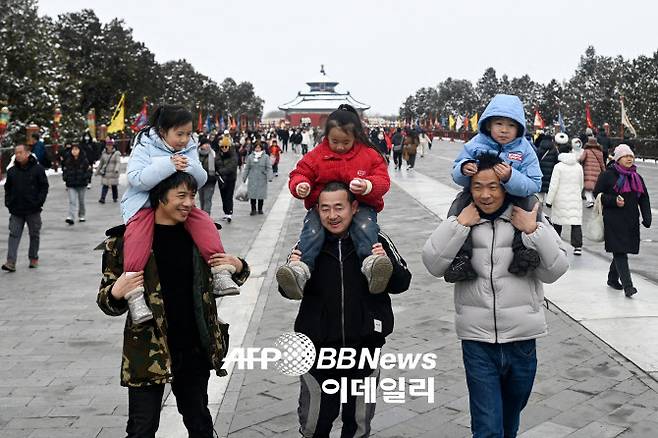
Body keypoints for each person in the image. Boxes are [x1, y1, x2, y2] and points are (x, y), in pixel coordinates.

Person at [422, 152, 569, 438]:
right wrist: (458, 225)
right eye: (477, 186)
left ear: (506, 186)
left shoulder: (526, 215)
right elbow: (432, 264)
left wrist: (532, 230)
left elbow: (555, 270)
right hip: (477, 342)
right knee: (488, 427)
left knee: (508, 418)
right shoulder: (462, 217)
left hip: (522, 341)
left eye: (493, 186)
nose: (485, 194)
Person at [97, 171, 250, 438]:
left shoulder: (201, 236)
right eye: (181, 196)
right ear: (160, 196)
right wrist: (116, 292)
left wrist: (239, 266)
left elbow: (228, 274)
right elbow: (107, 303)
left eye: (192, 196)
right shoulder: (123, 242)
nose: (189, 202)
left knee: (199, 423)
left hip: (193, 348)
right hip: (148, 352)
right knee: (141, 429)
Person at [279, 182, 411, 437]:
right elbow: (287, 291)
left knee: (358, 424)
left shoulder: (375, 239)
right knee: (314, 423)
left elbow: (402, 282)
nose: (332, 216)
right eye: (325, 209)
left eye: (339, 207)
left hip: (364, 347)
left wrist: (387, 262)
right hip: (317, 349)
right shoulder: (308, 244)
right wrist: (294, 267)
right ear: (316, 210)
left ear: (354, 207)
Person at [121, 104, 240, 302]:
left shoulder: (189, 146)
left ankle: (220, 270)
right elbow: (135, 178)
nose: (185, 140)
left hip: (178, 202)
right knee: (137, 237)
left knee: (204, 223)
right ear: (162, 131)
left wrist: (189, 166)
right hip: (144, 204)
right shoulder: (144, 144)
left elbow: (200, 179)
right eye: (179, 134)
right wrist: (169, 165)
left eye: (188, 133)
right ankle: (134, 292)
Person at [276, 104, 391, 299]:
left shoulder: (369, 155)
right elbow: (300, 173)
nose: (339, 147)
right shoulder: (317, 156)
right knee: (311, 231)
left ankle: (371, 265)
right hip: (322, 206)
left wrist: (367, 186)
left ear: (356, 136)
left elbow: (383, 180)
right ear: (326, 136)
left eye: (345, 142)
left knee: (365, 227)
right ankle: (300, 270)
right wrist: (301, 185)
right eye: (334, 141)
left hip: (361, 204)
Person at [447, 94, 543, 282]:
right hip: (481, 195)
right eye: (499, 124)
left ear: (519, 128)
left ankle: (523, 251)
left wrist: (510, 177)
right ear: (489, 124)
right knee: (459, 204)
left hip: (514, 196)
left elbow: (535, 183)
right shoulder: (475, 144)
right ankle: (461, 256)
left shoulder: (525, 149)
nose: (504, 130)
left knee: (532, 204)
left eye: (511, 125)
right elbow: (455, 172)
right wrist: (464, 168)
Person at [594, 144, 651, 298]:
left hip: (631, 220)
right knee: (619, 251)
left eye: (631, 156)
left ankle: (612, 279)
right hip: (613, 219)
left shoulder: (636, 177)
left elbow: (644, 197)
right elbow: (597, 194)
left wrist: (647, 217)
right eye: (626, 156)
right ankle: (628, 286)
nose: (629, 159)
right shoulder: (608, 175)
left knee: (621, 249)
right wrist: (612, 200)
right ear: (618, 159)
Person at [2, 144, 49, 272]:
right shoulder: (12, 171)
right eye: (16, 153)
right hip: (16, 210)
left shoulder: (38, 169)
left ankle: (33, 258)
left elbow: (44, 187)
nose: (18, 155)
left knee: (34, 234)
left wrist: (39, 202)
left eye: (20, 152)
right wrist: (9, 202)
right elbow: (7, 188)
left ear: (27, 153)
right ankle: (10, 262)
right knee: (14, 235)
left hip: (33, 209)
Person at [545, 143, 584, 255]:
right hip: (575, 197)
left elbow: (553, 185)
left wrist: (549, 201)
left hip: (560, 198)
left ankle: (556, 243)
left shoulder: (558, 167)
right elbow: (581, 183)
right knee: (575, 222)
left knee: (558, 222)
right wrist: (577, 192)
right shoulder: (578, 166)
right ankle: (577, 246)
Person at [62, 144, 92, 224]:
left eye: (76, 149)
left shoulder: (84, 160)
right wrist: (65, 178)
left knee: (81, 201)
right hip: (71, 184)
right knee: (72, 201)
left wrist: (84, 177)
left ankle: (81, 215)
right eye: (73, 149)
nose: (74, 151)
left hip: (81, 184)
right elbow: (65, 170)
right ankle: (71, 217)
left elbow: (89, 171)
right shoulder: (68, 160)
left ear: (79, 150)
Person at [242, 140, 272, 216]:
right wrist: (244, 177)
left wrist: (270, 176)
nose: (257, 149)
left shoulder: (266, 157)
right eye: (256, 147)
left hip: (262, 178)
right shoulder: (250, 157)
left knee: (261, 195)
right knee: (252, 195)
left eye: (259, 147)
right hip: (252, 178)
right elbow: (247, 168)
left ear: (261, 148)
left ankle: (260, 209)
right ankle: (253, 209)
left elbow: (269, 167)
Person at [537, 133, 567, 202]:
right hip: (551, 171)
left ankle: (540, 204)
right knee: (548, 188)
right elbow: (557, 160)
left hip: (540, 171)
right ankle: (548, 202)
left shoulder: (540, 148)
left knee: (540, 191)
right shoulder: (554, 149)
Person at [215, 140, 239, 223]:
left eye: (226, 146)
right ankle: (225, 212)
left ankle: (229, 213)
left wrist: (221, 171)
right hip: (221, 179)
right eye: (222, 147)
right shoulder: (218, 155)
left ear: (229, 147)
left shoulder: (233, 154)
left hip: (230, 178)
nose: (224, 148)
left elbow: (232, 166)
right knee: (223, 195)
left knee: (229, 195)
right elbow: (216, 163)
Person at [580, 137, 606, 208]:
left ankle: (589, 201)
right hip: (597, 171)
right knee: (595, 186)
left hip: (588, 171)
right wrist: (604, 171)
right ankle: (595, 200)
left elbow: (581, 159)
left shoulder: (586, 151)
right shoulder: (600, 152)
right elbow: (602, 163)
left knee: (588, 188)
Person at [97, 138, 121, 204]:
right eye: (108, 145)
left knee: (114, 186)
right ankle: (102, 198)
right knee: (105, 185)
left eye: (110, 145)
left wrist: (116, 169)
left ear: (113, 146)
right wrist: (97, 171)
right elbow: (101, 163)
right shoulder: (104, 154)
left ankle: (115, 197)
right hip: (106, 172)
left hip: (113, 172)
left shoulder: (116, 153)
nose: (109, 147)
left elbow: (118, 162)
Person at [197, 137, 217, 215]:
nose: (207, 145)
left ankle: (206, 217)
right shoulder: (196, 154)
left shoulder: (213, 154)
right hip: (200, 181)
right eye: (205, 144)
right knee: (202, 200)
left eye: (208, 144)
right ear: (201, 145)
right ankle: (203, 216)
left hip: (210, 180)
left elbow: (217, 165)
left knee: (207, 199)